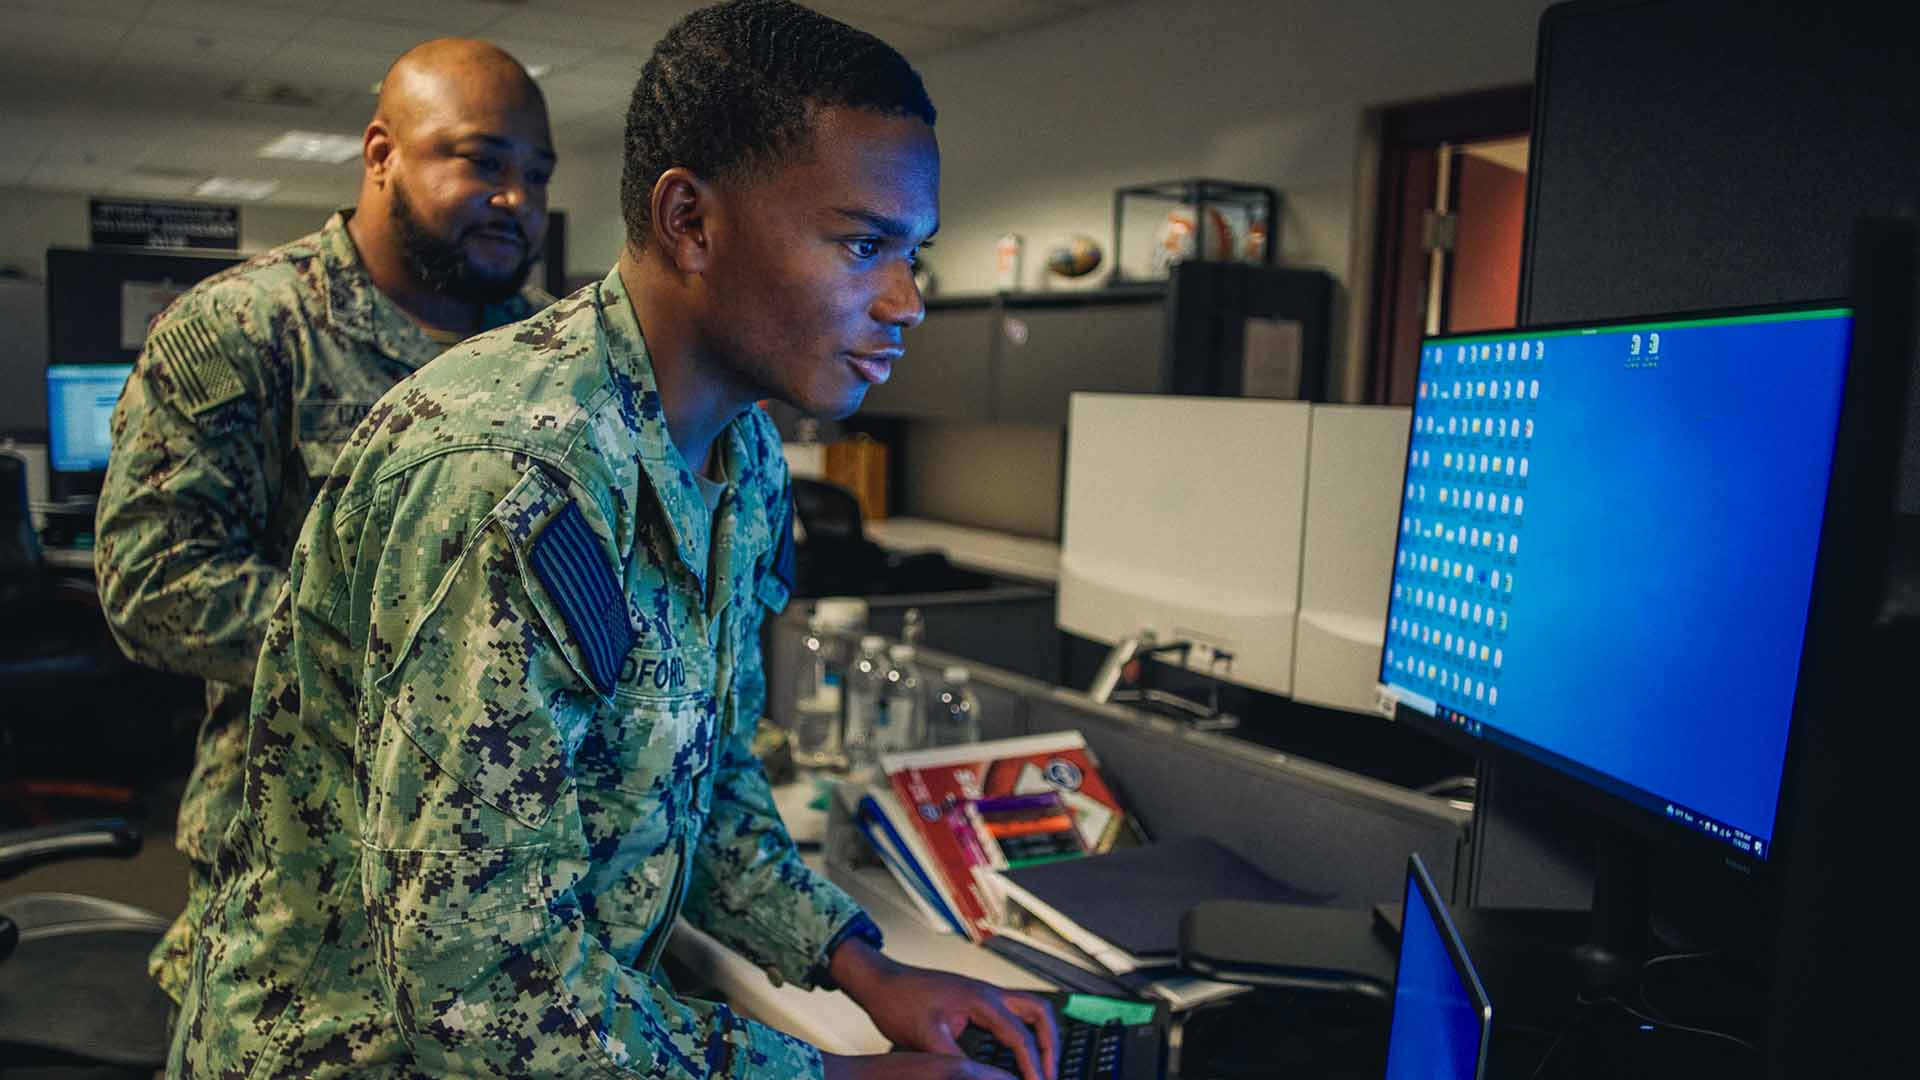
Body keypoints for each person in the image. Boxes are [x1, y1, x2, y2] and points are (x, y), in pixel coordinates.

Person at [169, 2, 1059, 1078]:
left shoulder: (742, 455)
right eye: (862, 243)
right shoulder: (504, 480)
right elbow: (478, 990)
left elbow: (709, 780)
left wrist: (863, 966)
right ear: (690, 221)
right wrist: (833, 1075)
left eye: (913, 252)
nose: (907, 300)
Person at [92, 38, 556, 1004]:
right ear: (382, 153)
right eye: (480, 161)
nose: (516, 200)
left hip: (504, 892)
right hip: (300, 895)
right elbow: (154, 585)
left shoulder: (547, 352)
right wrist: (423, 653)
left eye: (535, 174)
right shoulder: (245, 328)